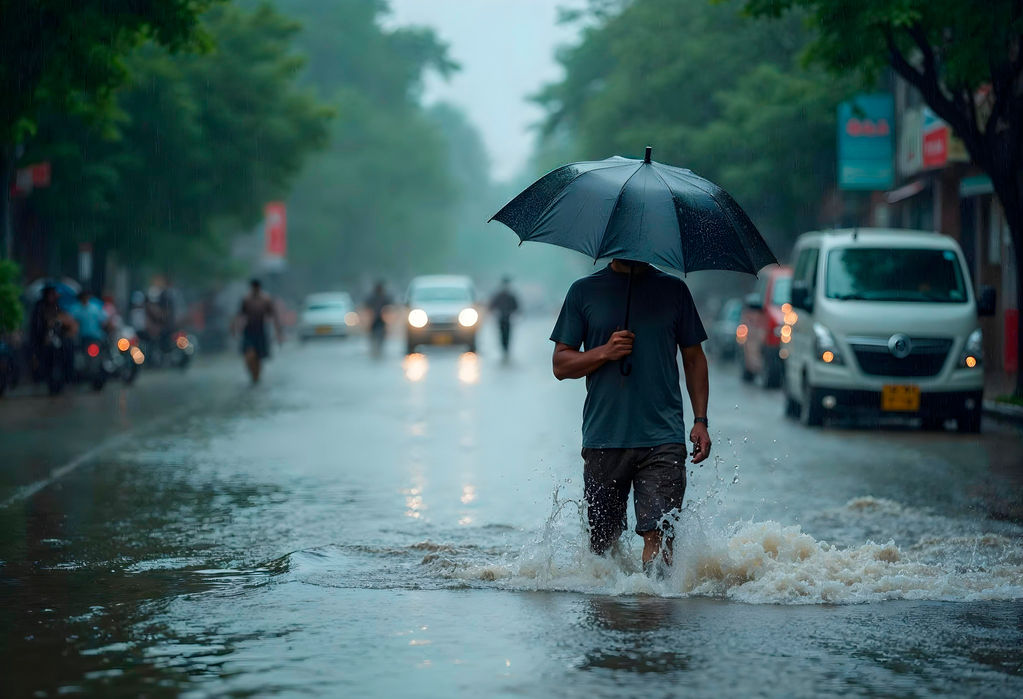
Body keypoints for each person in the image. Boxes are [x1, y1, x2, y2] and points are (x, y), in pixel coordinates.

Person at [550, 259, 711, 575]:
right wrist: (605, 352)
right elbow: (560, 364)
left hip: (663, 438)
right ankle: (613, 612)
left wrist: (700, 420)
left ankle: (653, 612)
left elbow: (694, 358)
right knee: (602, 544)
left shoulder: (674, 291)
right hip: (603, 437)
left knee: (660, 534)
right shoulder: (583, 292)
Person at [234, 278, 282, 383]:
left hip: (260, 330)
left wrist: (279, 333)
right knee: (249, 355)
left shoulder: (266, 299)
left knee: (259, 357)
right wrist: (236, 329)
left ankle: (256, 378)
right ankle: (252, 373)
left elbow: (274, 316)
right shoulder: (246, 299)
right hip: (249, 331)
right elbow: (239, 315)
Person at [489, 276, 520, 360]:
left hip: (508, 319)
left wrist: (512, 314)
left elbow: (517, 307)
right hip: (501, 319)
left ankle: (506, 350)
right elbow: (491, 306)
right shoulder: (499, 295)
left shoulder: (511, 296)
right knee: (502, 335)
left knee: (507, 335)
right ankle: (504, 349)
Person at [364, 280, 393, 358]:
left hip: (381, 320)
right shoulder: (372, 297)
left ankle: (378, 350)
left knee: (380, 337)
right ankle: (375, 351)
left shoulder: (384, 297)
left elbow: (390, 307)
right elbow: (366, 307)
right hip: (374, 320)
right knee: (374, 337)